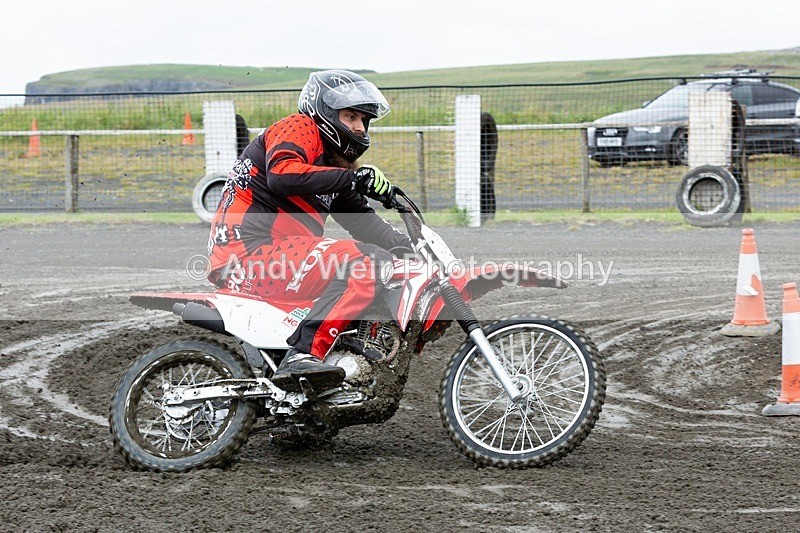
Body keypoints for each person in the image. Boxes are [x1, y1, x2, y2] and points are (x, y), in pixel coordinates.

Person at [206, 70, 412, 392]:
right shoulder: (299, 127)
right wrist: (354, 180)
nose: (360, 127)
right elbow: (281, 175)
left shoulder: (335, 167)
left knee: (382, 262)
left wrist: (410, 246)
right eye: (351, 116)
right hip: (249, 254)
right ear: (326, 113)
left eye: (364, 120)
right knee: (365, 263)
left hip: (279, 259)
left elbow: (361, 220)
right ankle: (303, 355)